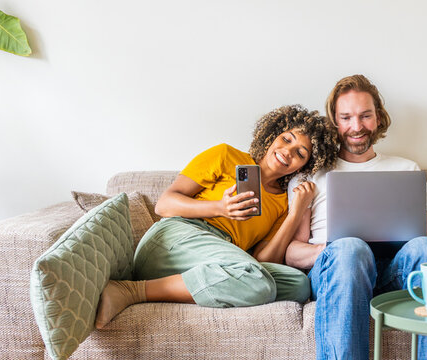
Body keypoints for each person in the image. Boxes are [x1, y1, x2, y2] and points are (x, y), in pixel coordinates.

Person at [94, 105, 339, 329]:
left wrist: (295, 214)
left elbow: (265, 259)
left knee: (298, 284)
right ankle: (131, 291)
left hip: (221, 257)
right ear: (273, 134)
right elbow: (165, 204)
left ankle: (205, 285)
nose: (288, 151)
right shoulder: (226, 156)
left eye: (300, 152)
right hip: (176, 238)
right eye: (286, 139)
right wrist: (220, 208)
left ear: (304, 166)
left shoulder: (281, 202)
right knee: (257, 281)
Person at [285, 75, 427, 359]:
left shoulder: (407, 170)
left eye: (365, 116)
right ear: (334, 122)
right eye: (346, 117)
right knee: (350, 248)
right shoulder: (313, 174)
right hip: (338, 272)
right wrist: (331, 248)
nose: (356, 127)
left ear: (379, 118)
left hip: (393, 273)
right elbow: (292, 253)